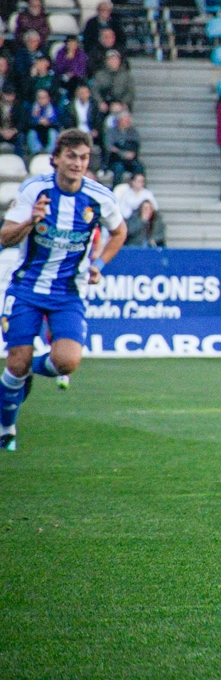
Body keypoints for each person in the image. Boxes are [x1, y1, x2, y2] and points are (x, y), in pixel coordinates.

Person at [0, 129, 128, 450]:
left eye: (83, 157)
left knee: (67, 361)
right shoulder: (34, 190)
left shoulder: (100, 197)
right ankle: (7, 429)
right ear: (56, 158)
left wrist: (98, 264)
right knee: (16, 363)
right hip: (27, 287)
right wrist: (31, 220)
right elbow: (5, 237)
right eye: (71, 156)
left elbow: (120, 232)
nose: (77, 163)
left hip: (68, 293)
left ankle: (28, 371)